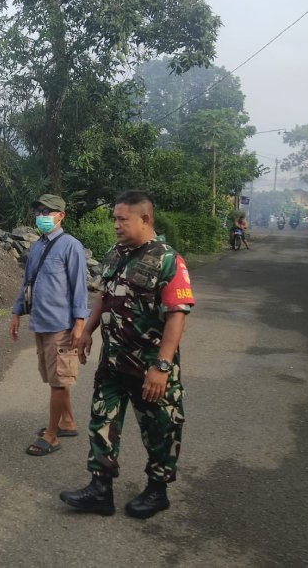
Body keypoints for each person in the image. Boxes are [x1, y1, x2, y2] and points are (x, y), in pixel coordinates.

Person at [60, 190, 194, 519]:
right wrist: (88, 330)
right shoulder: (117, 253)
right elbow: (105, 295)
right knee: (102, 421)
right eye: (114, 218)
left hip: (150, 365)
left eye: (122, 219)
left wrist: (162, 366)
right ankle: (100, 488)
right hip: (113, 360)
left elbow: (177, 315)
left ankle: (157, 490)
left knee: (160, 430)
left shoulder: (168, 259)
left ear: (145, 219)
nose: (116, 225)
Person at [9, 194, 90, 457]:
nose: (41, 216)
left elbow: (79, 287)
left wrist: (79, 324)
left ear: (61, 215)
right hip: (41, 323)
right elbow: (27, 283)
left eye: (48, 211)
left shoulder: (71, 246)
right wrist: (16, 312)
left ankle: (52, 435)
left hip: (61, 326)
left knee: (58, 381)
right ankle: (67, 422)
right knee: (55, 378)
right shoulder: (36, 247)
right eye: (39, 212)